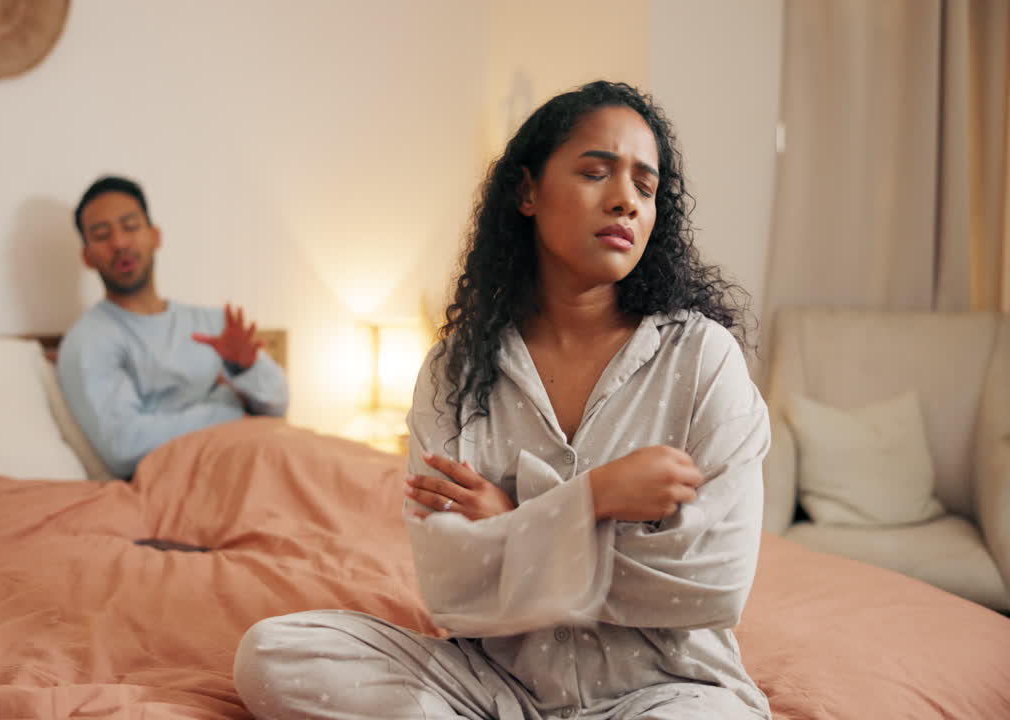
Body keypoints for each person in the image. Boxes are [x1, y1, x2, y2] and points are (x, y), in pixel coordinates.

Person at [233, 81, 771, 719]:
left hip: (668, 689)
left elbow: (711, 585)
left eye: (646, 188)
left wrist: (513, 521)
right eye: (596, 173)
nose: (626, 200)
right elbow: (453, 587)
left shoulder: (702, 358)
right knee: (272, 655)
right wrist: (596, 500)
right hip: (494, 688)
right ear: (527, 192)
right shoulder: (453, 371)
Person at [57, 176, 288, 480]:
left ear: (155, 236)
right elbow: (124, 445)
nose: (119, 243)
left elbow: (278, 404)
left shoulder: (213, 323)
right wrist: (228, 411)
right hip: (192, 478)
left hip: (265, 453)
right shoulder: (90, 340)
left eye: (130, 226)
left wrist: (246, 368)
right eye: (102, 235)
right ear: (87, 256)